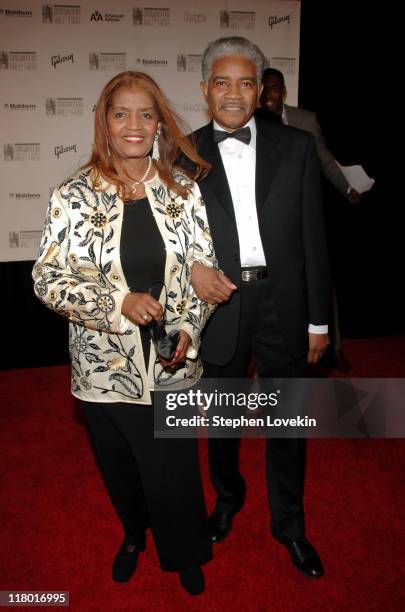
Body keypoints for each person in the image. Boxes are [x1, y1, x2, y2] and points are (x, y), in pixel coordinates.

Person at [32, 71, 217, 596]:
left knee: (176, 468)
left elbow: (201, 271)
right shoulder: (72, 195)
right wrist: (118, 303)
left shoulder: (184, 192)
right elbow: (48, 278)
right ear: (105, 124)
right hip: (102, 368)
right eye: (121, 114)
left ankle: (184, 551)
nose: (134, 125)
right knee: (120, 467)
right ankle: (135, 535)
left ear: (159, 122)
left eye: (146, 113)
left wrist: (188, 332)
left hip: (172, 363)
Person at [189, 37, 330, 579]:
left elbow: (314, 240)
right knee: (221, 419)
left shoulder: (295, 147)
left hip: (284, 303)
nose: (233, 93)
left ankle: (291, 526)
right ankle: (226, 501)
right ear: (205, 89)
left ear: (260, 91)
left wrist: (319, 319)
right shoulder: (183, 151)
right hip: (219, 304)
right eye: (221, 82)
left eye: (245, 82)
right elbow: (173, 242)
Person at [259, 67, 360, 371]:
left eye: (274, 89)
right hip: (267, 218)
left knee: (318, 280)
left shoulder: (305, 120)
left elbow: (326, 160)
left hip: (305, 213)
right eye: (263, 89)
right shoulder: (248, 120)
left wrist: (347, 186)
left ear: (284, 91)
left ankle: (335, 345)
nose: (268, 96)